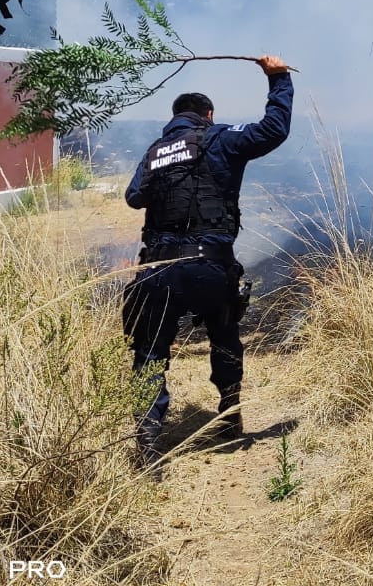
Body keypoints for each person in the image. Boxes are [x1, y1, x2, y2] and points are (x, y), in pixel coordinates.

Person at [122, 54, 293, 470]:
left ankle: (147, 442)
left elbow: (134, 198)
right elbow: (273, 130)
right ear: (208, 114)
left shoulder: (155, 152)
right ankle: (230, 414)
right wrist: (280, 80)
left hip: (156, 270)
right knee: (224, 332)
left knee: (150, 352)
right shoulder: (220, 138)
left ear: (174, 118)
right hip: (210, 266)